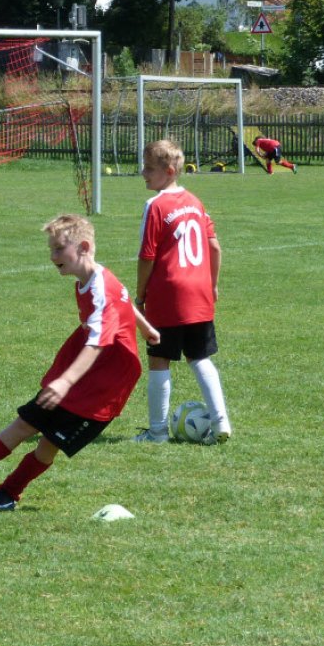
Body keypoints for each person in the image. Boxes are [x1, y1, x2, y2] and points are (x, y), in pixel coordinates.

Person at [0, 214, 160, 511]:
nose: (52, 256)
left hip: (102, 389)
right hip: (82, 373)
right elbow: (125, 300)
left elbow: (98, 341)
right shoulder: (94, 278)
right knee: (23, 425)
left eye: (58, 249)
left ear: (83, 247)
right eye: (51, 249)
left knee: (47, 446)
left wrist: (66, 380)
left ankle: (8, 493)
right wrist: (146, 329)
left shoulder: (100, 289)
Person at [132, 139, 231, 444]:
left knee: (159, 360)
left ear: (170, 171)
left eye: (149, 169)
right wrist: (212, 283)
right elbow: (214, 246)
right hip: (199, 292)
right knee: (200, 357)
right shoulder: (196, 202)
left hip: (168, 294)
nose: (143, 173)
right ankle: (221, 423)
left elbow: (146, 256)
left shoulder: (156, 206)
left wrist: (140, 295)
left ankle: (158, 431)